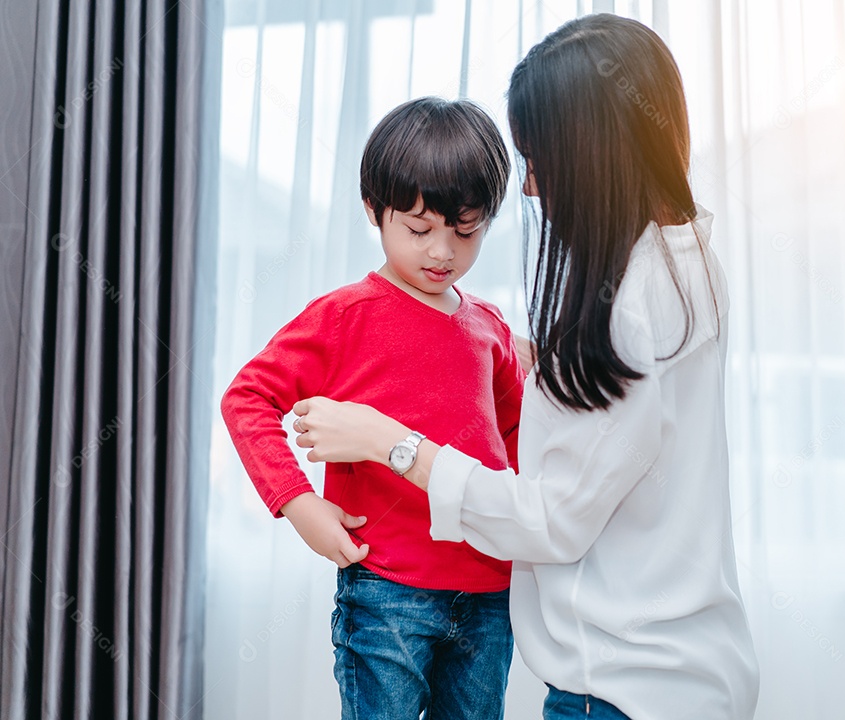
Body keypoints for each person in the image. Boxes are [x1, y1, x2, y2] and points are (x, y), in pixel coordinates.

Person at [291, 13, 760, 720]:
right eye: (418, 229)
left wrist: (390, 442)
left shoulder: (624, 311)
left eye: (536, 162)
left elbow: (553, 518)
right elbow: (612, 435)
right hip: (689, 674)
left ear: (592, 155)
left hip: (621, 686)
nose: (534, 190)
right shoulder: (690, 264)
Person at [220, 97, 524, 720]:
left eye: (466, 231)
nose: (442, 251)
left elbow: (518, 436)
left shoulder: (489, 328)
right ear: (373, 211)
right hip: (386, 591)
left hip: (491, 593)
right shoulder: (344, 316)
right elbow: (247, 398)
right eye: (419, 229)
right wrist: (298, 503)